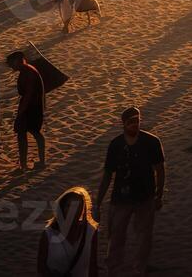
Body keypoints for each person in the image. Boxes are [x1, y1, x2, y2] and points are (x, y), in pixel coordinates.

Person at [97, 106, 165, 277]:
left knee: (143, 238)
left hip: (145, 198)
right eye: (131, 122)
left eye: (137, 121)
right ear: (123, 124)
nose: (135, 125)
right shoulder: (116, 145)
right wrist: (97, 202)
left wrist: (159, 195)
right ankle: (113, 270)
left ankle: (139, 269)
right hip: (120, 199)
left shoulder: (152, 142)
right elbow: (107, 175)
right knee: (116, 239)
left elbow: (160, 170)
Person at [37, 186, 99, 277]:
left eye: (77, 206)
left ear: (82, 209)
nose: (73, 210)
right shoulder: (49, 234)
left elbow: (93, 265)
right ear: (62, 208)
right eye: (69, 205)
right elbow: (41, 268)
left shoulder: (90, 232)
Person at [6, 49, 46, 170]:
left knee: (27, 133)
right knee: (31, 133)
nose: (11, 66)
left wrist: (21, 112)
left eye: (12, 63)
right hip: (33, 105)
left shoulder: (28, 72)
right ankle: (35, 162)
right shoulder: (26, 70)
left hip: (32, 107)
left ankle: (28, 164)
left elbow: (28, 94)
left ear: (18, 61)